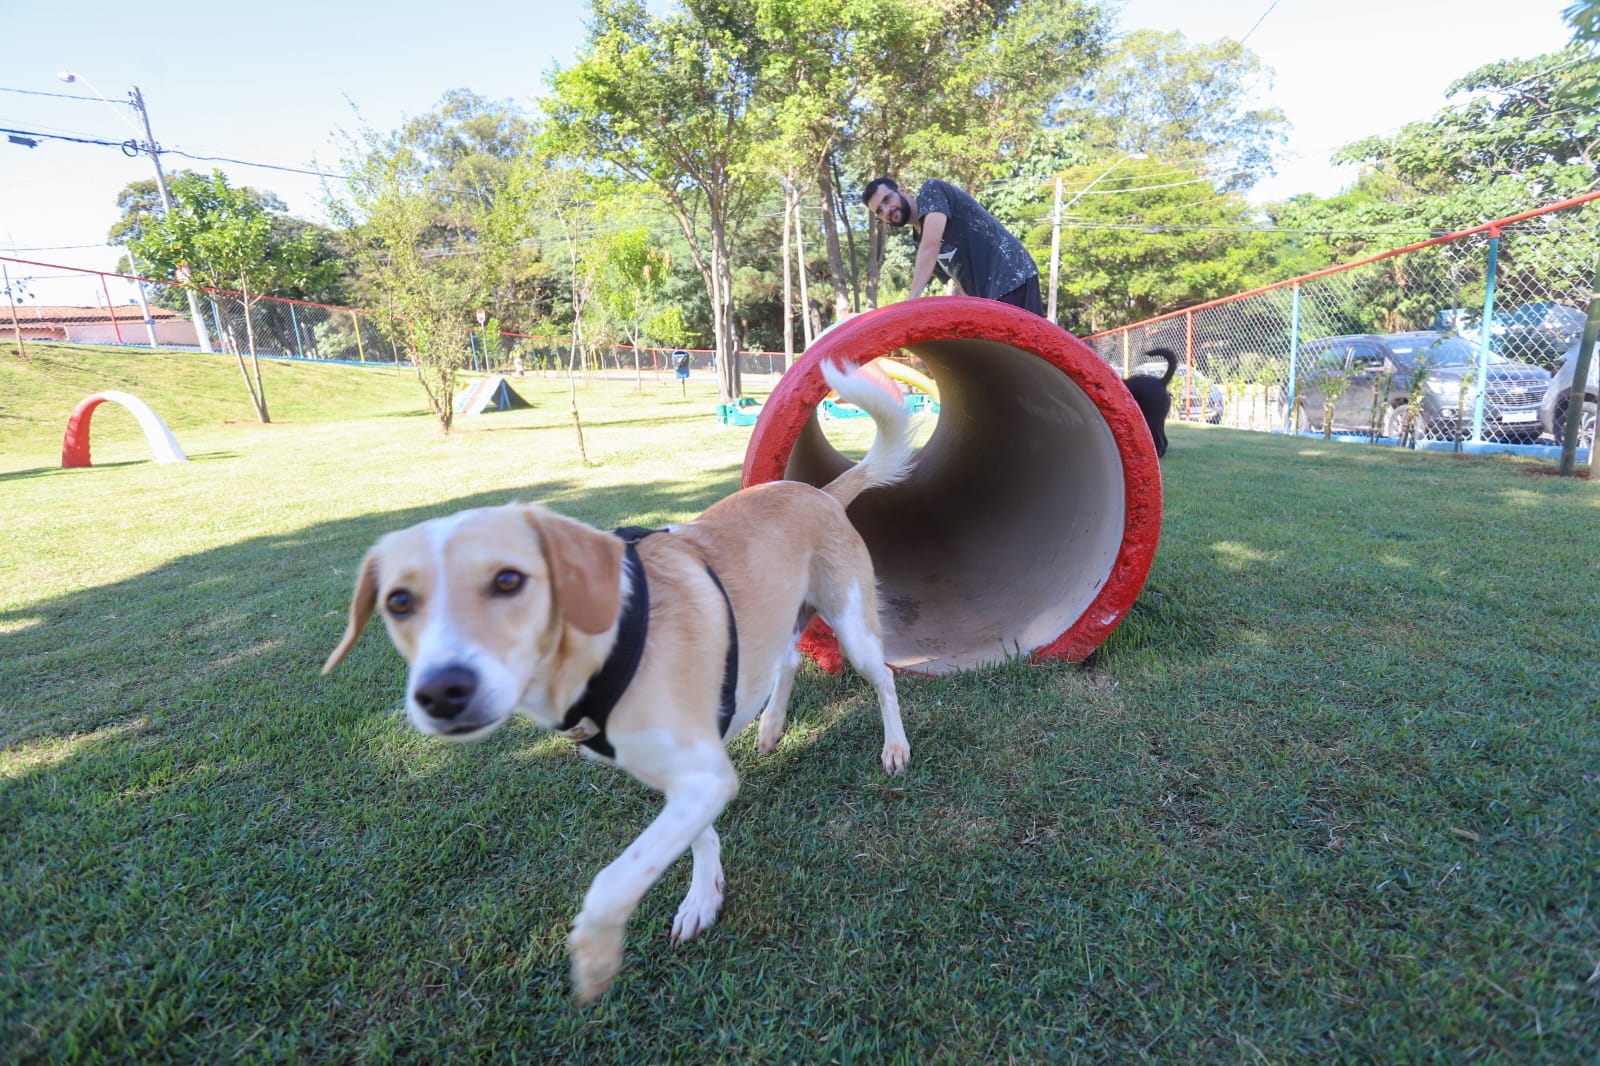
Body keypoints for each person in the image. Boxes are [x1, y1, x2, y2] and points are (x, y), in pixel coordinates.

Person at [861, 176, 1044, 316]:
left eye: (886, 200)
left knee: (1023, 356)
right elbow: (958, 283)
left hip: (1011, 276)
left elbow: (931, 245)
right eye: (879, 211)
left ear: (901, 189)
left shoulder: (931, 191)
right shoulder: (918, 241)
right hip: (989, 300)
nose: (886, 211)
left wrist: (911, 302)